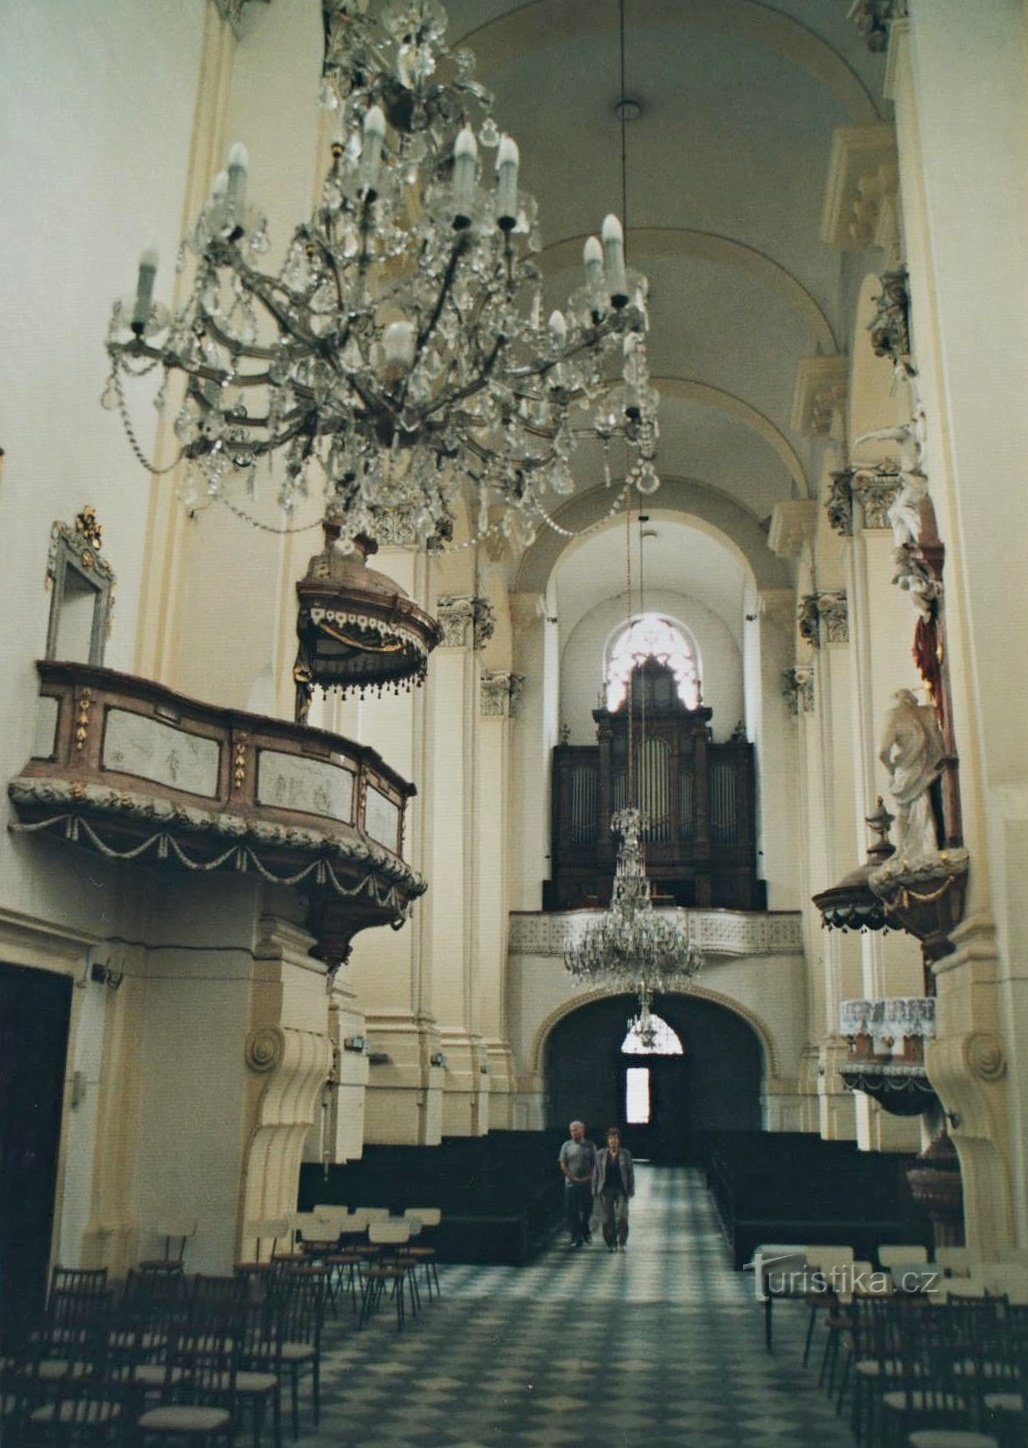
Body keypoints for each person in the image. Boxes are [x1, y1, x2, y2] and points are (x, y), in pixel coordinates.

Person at [593, 1126, 635, 1253]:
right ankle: (611, 1242)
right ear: (607, 1140)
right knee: (607, 1219)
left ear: (619, 1140)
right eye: (611, 1138)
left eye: (615, 1138)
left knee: (622, 1217)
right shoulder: (600, 1154)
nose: (613, 1141)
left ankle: (622, 1242)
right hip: (606, 1190)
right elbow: (596, 1173)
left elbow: (630, 1173)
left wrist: (631, 1189)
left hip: (621, 1189)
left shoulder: (625, 1154)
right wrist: (594, 1189)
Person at [558, 1120, 597, 1248]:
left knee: (587, 1209)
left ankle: (585, 1230)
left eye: (576, 1130)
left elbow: (595, 1164)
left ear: (582, 1130)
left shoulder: (590, 1145)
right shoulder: (566, 1145)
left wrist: (589, 1177)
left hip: (587, 1182)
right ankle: (575, 1236)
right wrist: (571, 1177)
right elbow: (563, 1163)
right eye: (572, 1131)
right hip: (571, 1183)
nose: (574, 1133)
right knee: (572, 1210)